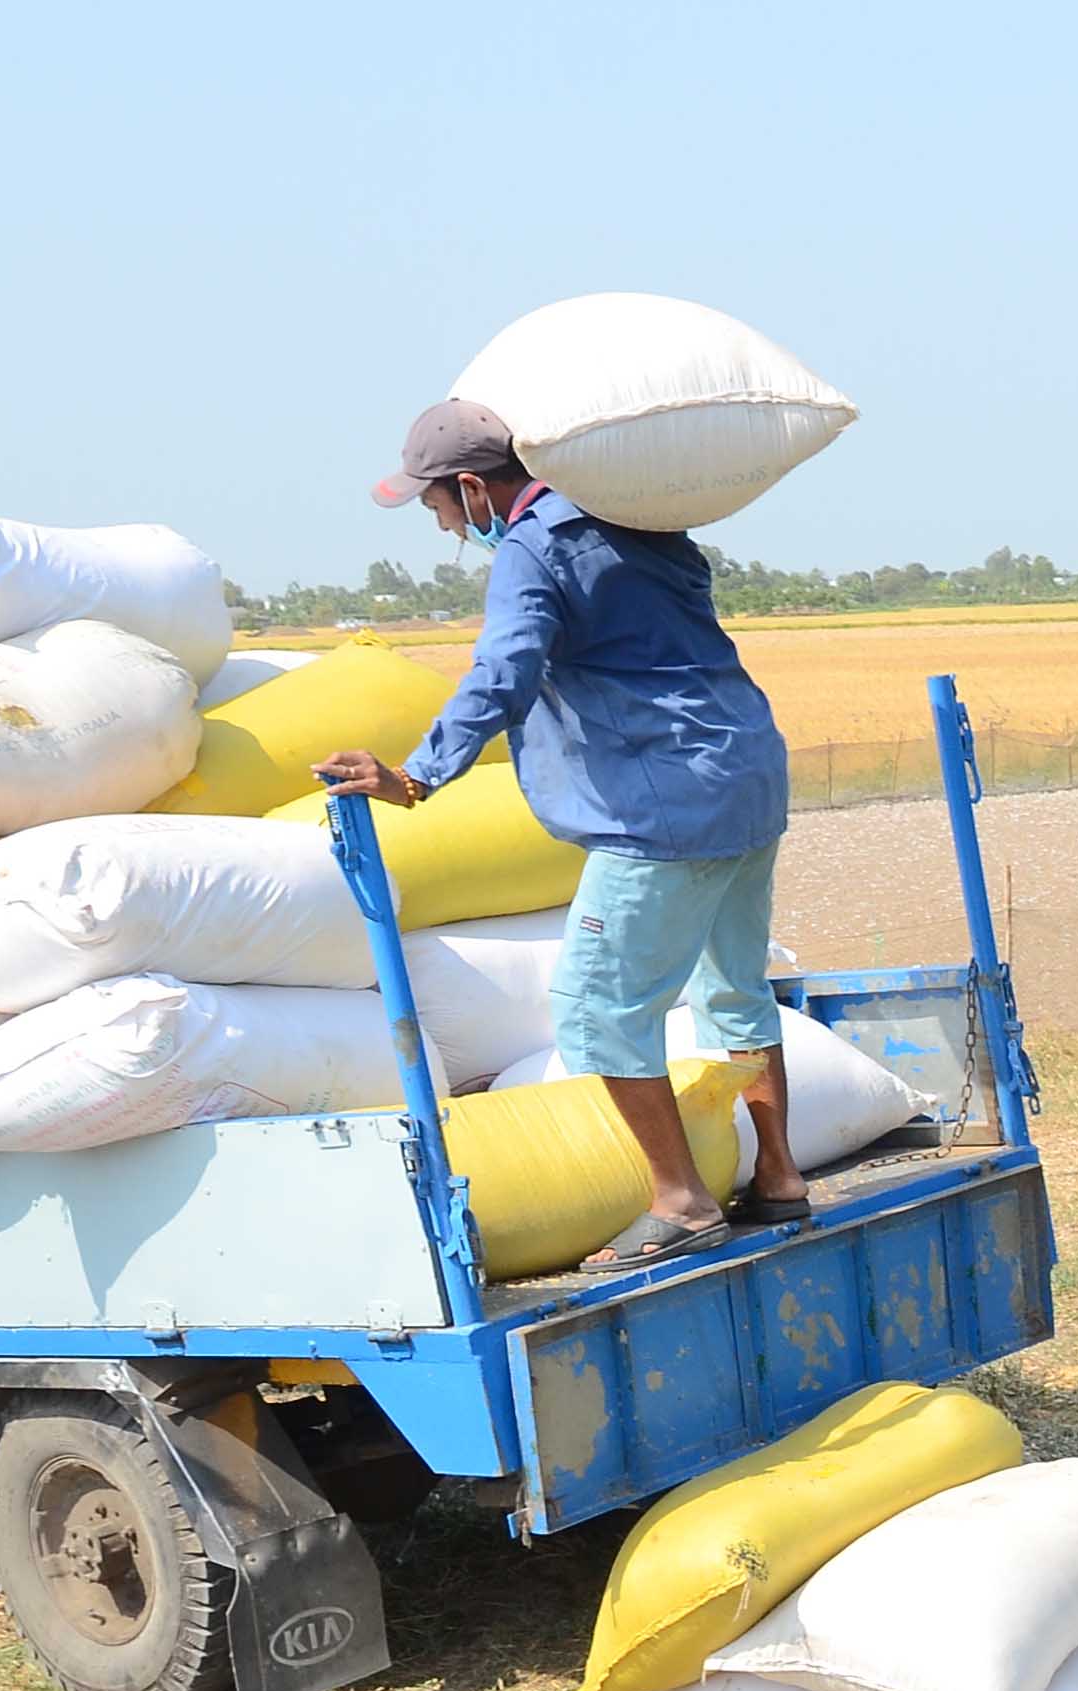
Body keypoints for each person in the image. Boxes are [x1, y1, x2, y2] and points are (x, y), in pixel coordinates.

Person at [317, 397, 803, 1270]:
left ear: (473, 487)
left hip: (662, 806)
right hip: (747, 773)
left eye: (437, 507)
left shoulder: (537, 547)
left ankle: (682, 1200)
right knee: (732, 985)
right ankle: (778, 1175)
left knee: (595, 1004)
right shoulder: (642, 521)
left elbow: (505, 670)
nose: (442, 525)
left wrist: (419, 773)